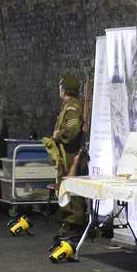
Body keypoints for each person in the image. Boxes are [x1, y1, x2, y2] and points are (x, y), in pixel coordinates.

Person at [43, 76, 86, 231]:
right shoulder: (67, 106)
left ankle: (74, 219)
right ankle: (69, 217)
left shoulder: (72, 107)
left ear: (64, 89)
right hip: (66, 152)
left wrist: (58, 135)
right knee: (65, 184)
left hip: (70, 152)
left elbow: (72, 129)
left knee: (70, 184)